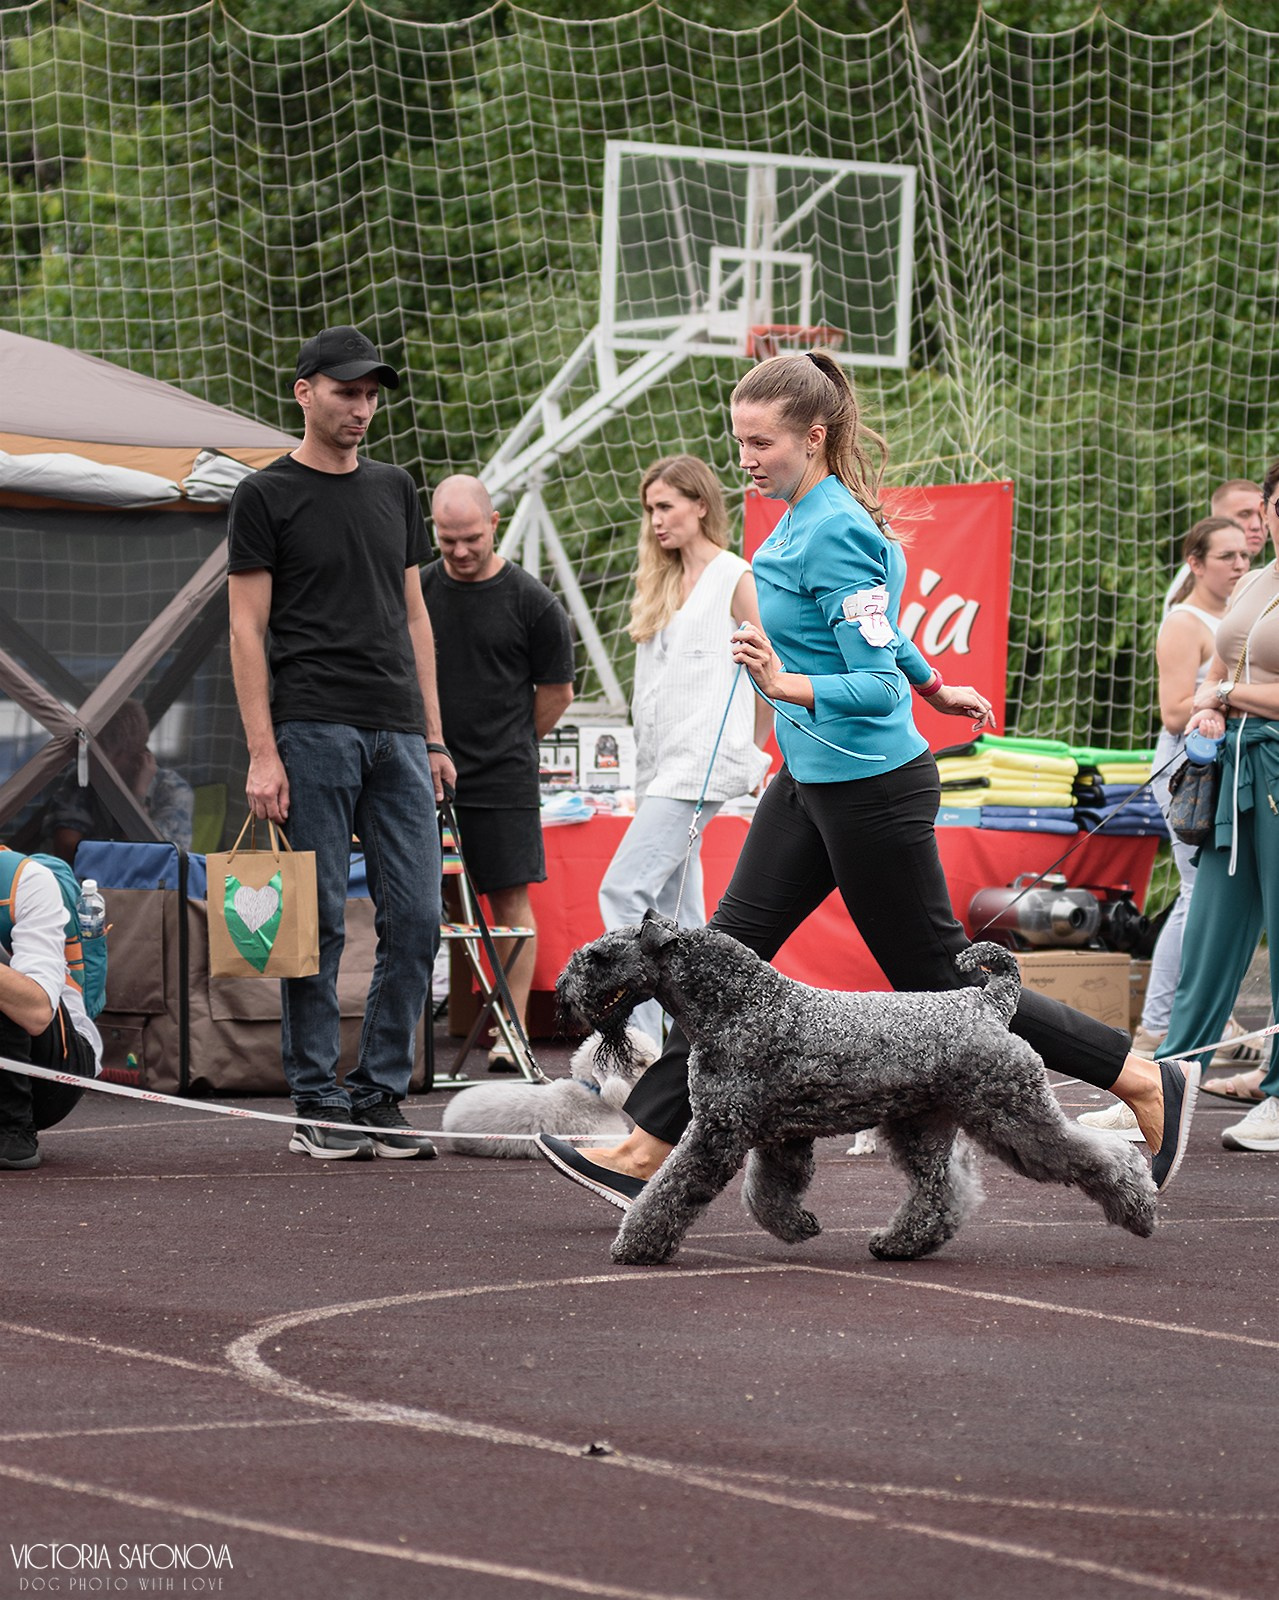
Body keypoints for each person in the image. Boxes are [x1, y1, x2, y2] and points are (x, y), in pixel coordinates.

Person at [537, 350, 1198, 1207]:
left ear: (812, 437)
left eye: (760, 441)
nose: (745, 457)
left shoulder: (833, 527)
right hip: (808, 781)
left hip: (869, 789)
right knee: (722, 956)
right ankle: (643, 1150)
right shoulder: (801, 514)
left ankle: (1138, 1077)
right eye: (737, 440)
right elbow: (887, 649)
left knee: (943, 980)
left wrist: (787, 685)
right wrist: (935, 683)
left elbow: (870, 680)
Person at [227, 325, 452, 1161]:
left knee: (419, 919)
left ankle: (378, 1096)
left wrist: (433, 734)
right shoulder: (264, 495)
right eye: (345, 391)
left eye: (369, 394)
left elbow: (415, 616)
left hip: (398, 732)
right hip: (310, 728)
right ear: (305, 392)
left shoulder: (395, 487)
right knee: (315, 922)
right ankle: (315, 1099)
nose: (360, 407)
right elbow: (245, 630)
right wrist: (262, 750)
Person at [597, 455, 773, 1044]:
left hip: (701, 765)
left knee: (623, 890)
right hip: (663, 765)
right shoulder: (661, 583)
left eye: (666, 506)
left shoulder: (734, 576)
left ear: (701, 504)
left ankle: (640, 1042)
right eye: (650, 510)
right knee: (682, 917)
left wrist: (756, 753)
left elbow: (771, 671)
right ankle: (712, 1036)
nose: (656, 521)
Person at [422, 474, 574, 1067]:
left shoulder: (533, 601)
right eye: (446, 540)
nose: (459, 551)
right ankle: (416, 1038)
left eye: (470, 539)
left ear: (494, 524)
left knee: (508, 905)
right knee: (415, 904)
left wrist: (511, 743)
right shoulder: (419, 591)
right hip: (423, 773)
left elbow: (556, 693)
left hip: (503, 777)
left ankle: (509, 1034)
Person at [1159, 457, 1279, 1152]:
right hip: (1234, 764)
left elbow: (1230, 685)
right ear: (1262, 509)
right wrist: (1209, 710)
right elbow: (1217, 670)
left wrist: (1224, 699)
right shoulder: (1255, 581)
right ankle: (1169, 1081)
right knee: (1207, 931)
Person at [0, 848, 103, 1169]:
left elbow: (37, 1011)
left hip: (55, 1070)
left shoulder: (27, 879)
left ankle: (12, 1130)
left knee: (9, 981)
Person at [42, 698, 195, 861]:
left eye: (106, 753)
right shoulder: (84, 777)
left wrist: (138, 797)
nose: (96, 760)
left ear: (135, 755)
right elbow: (65, 847)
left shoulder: (172, 790)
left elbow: (144, 859)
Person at [1161, 479, 1264, 615]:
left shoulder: (1248, 577)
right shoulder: (1197, 581)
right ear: (1217, 519)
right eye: (1244, 514)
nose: (1257, 525)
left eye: (1262, 515)